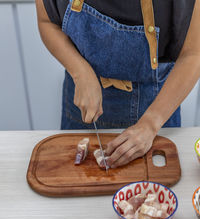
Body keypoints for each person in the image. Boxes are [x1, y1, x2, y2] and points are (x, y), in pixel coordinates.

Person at [35, 0, 200, 169]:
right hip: (81, 98)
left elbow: (194, 54)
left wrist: (151, 122)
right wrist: (80, 72)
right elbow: (47, 22)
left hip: (158, 105)